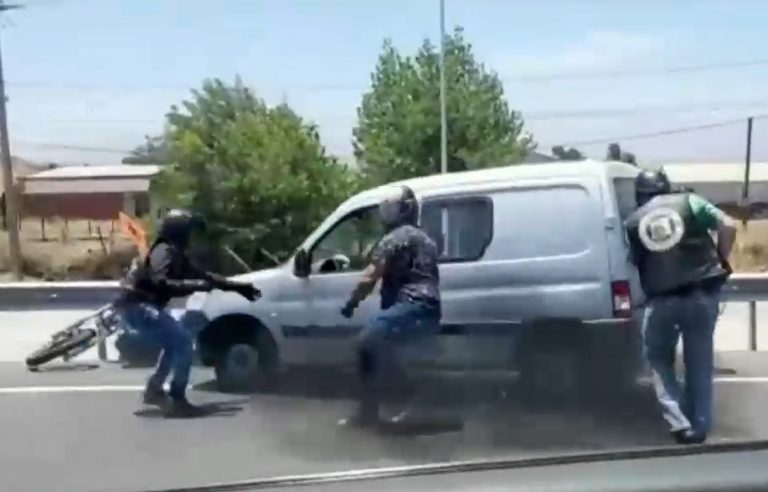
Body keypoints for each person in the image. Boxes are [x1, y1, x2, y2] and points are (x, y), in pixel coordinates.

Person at [625, 170, 737, 444]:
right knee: (699, 360)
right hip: (701, 293)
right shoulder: (690, 202)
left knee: (657, 358)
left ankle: (678, 423)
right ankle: (699, 428)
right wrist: (722, 256)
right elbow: (729, 225)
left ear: (639, 194)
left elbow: (635, 262)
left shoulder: (632, 222)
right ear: (666, 187)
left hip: (662, 300)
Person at [118, 209, 260, 417]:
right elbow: (162, 282)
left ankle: (155, 390)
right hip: (139, 308)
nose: (191, 238)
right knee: (183, 343)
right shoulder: (163, 251)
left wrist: (238, 287)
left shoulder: (174, 253)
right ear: (179, 232)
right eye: (188, 233)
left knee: (174, 343)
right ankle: (177, 398)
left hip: (141, 308)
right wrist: (196, 285)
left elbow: (206, 277)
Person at [338, 185, 441, 427]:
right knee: (388, 352)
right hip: (430, 309)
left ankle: (372, 411)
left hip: (410, 305)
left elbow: (369, 278)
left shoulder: (394, 239)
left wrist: (351, 304)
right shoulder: (425, 239)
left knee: (367, 343)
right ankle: (409, 400)